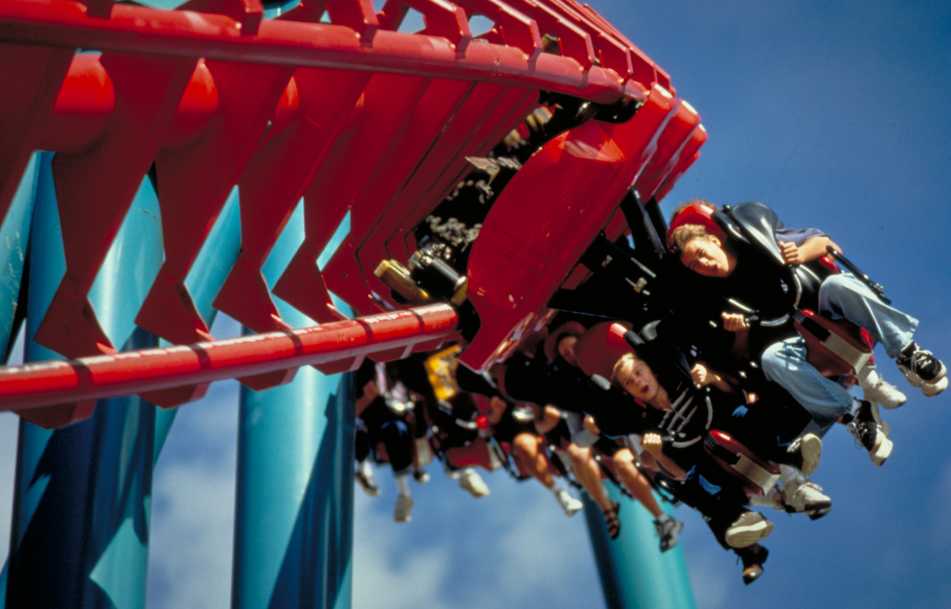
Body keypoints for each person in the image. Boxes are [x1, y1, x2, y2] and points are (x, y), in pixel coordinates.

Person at [666, 200, 946, 465]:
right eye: (694, 267)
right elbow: (740, 357)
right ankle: (853, 414)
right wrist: (739, 331)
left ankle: (908, 352)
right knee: (772, 359)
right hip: (799, 344)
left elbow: (825, 243)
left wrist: (799, 254)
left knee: (838, 286)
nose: (704, 265)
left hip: (829, 310)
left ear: (715, 240)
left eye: (701, 255)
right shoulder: (719, 300)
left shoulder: (759, 239)